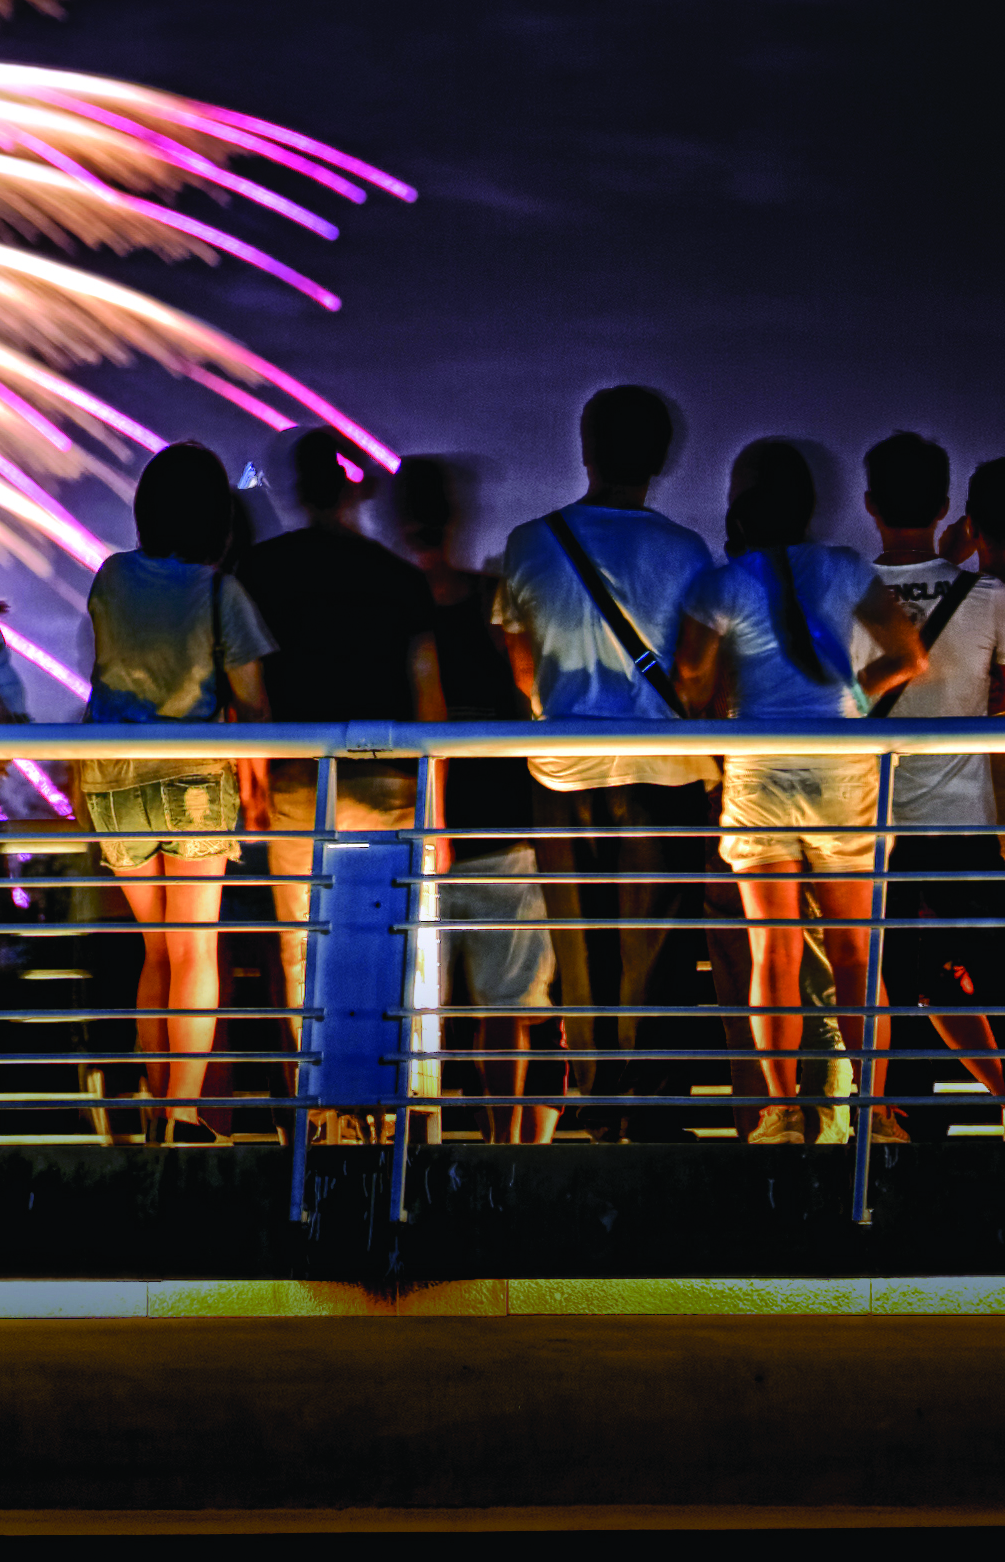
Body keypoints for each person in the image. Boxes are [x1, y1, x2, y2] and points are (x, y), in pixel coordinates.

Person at [675, 436, 926, 1145]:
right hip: (840, 767)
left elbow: (693, 686)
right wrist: (851, 690)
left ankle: (778, 1113)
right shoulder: (844, 568)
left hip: (758, 772)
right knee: (854, 950)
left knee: (773, 951)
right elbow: (907, 655)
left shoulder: (720, 583)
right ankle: (874, 1115)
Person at [493, 385, 721, 1138]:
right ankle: (652, 1104)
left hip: (561, 767)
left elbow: (519, 658)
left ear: (584, 449)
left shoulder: (531, 541)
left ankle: (592, 1099)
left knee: (579, 939)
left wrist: (551, 705)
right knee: (655, 945)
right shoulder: (685, 550)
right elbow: (695, 672)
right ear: (660, 459)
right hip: (664, 770)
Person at [72, 444, 270, 1145]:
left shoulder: (111, 576)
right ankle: (179, 1113)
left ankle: (158, 1102)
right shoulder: (221, 592)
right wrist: (256, 774)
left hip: (113, 777)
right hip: (192, 778)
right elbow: (252, 703)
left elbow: (103, 667)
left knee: (155, 948)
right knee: (193, 947)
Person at [244, 428, 438, 1115]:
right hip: (389, 781)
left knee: (302, 940)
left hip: (298, 776)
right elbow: (427, 699)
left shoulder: (261, 570)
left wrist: (255, 775)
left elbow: (251, 692)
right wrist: (434, 807)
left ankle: (314, 1099)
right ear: (357, 488)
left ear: (297, 489)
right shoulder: (398, 578)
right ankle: (389, 1095)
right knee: (389, 933)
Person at [396, 455, 553, 1142]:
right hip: (502, 822)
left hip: (412, 833)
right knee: (508, 1003)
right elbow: (529, 695)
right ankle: (501, 1144)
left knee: (415, 1006)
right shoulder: (496, 602)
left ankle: (421, 1145)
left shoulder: (386, 606)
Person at [866, 444, 1005, 1120]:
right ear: (947, 509)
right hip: (965, 826)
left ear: (868, 505)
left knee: (888, 986)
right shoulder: (985, 597)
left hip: (871, 830)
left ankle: (902, 1131)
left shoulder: (845, 592)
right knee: (974, 974)